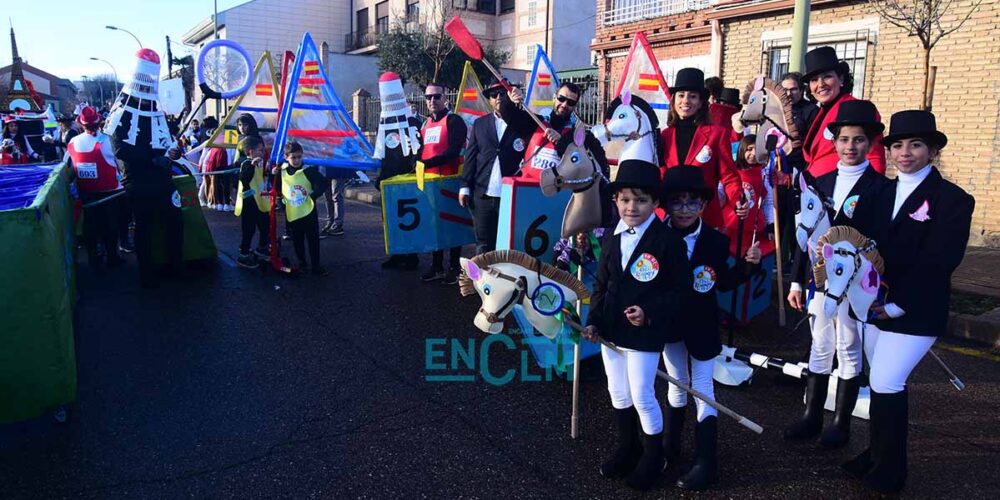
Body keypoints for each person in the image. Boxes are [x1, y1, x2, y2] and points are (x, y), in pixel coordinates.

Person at [843, 110, 974, 494]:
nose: (905, 153)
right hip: (872, 304)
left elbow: (941, 260)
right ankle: (875, 455)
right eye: (898, 145)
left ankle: (891, 470)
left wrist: (898, 304)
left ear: (932, 151)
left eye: (916, 145)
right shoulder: (877, 191)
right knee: (881, 383)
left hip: (915, 310)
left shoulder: (952, 200)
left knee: (887, 380)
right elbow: (849, 232)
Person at [784, 99, 889, 448]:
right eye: (844, 139)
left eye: (859, 140)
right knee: (819, 344)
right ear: (834, 141)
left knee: (848, 346)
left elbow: (880, 241)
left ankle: (840, 424)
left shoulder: (880, 188)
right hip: (820, 283)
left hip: (855, 285)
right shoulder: (819, 180)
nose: (851, 147)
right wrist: (798, 279)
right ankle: (811, 417)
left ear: (871, 143)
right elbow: (807, 235)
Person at [581, 159, 690, 491]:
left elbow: (680, 290)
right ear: (616, 200)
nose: (632, 207)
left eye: (641, 200)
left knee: (642, 395)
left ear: (655, 203)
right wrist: (594, 321)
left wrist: (649, 312)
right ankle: (629, 448)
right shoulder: (612, 239)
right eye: (625, 199)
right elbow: (601, 285)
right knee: (618, 392)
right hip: (612, 330)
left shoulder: (668, 241)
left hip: (645, 332)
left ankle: (654, 457)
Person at [660, 165, 761, 491]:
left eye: (693, 202)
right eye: (677, 202)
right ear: (666, 204)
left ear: (704, 205)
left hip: (702, 325)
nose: (685, 209)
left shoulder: (716, 242)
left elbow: (724, 281)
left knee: (703, 388)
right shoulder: (656, 237)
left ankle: (707, 461)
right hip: (669, 327)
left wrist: (748, 265)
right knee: (676, 384)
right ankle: (669, 447)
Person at [104, 48, 183, 289]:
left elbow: (167, 142)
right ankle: (147, 274)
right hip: (137, 182)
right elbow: (120, 150)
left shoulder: (157, 113)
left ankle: (175, 268)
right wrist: (151, 159)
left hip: (162, 180)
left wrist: (172, 153)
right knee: (144, 227)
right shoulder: (120, 114)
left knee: (175, 221)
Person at [660, 68, 746, 231]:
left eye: (692, 96)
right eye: (681, 95)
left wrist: (738, 199)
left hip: (704, 217)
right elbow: (661, 173)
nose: (685, 101)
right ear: (673, 100)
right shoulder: (664, 136)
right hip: (669, 215)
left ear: (700, 102)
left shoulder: (716, 134)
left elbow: (728, 176)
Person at [460, 80, 527, 255]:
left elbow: (538, 123)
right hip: (483, 194)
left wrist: (520, 105)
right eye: (493, 95)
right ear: (489, 100)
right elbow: (471, 157)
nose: (498, 98)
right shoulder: (480, 124)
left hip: (510, 196)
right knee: (483, 243)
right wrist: (465, 186)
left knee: (507, 244)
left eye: (502, 93)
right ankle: (482, 281)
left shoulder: (521, 122)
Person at [801, 46, 885, 177]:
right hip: (818, 191)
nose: (821, 84)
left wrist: (870, 193)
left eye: (827, 77)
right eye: (814, 80)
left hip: (847, 192)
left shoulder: (858, 108)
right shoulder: (822, 112)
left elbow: (874, 157)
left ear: (841, 79)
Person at [503, 81, 609, 182]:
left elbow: (599, 165)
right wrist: (511, 97)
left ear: (575, 107)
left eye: (571, 102)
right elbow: (509, 115)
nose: (564, 105)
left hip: (560, 193)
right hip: (527, 187)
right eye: (561, 98)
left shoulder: (580, 135)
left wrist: (563, 141)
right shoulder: (535, 122)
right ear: (554, 97)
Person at [418, 82, 467, 284]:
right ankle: (437, 265)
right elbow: (422, 150)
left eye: (436, 96)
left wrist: (428, 162)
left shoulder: (454, 121)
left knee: (452, 224)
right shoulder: (425, 124)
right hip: (429, 183)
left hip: (450, 181)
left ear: (445, 97)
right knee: (434, 225)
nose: (432, 101)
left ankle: (454, 267)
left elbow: (453, 151)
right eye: (428, 97)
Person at [373, 72, 421, 271]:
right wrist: (380, 177)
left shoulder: (415, 125)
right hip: (388, 183)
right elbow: (382, 154)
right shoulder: (382, 127)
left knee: (409, 219)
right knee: (390, 221)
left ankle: (412, 256)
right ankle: (396, 253)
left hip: (407, 183)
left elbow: (419, 153)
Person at [65, 105, 123, 267]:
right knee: (111, 226)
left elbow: (66, 165)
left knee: (90, 226)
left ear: (81, 124)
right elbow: (120, 165)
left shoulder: (73, 142)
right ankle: (112, 257)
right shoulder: (107, 141)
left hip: (86, 192)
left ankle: (94, 259)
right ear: (99, 122)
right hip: (110, 191)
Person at [277, 141, 328, 275]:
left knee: (313, 240)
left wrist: (313, 195)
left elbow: (322, 183)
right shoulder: (282, 170)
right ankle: (301, 263)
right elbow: (277, 187)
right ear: (286, 157)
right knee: (297, 240)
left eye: (299, 157)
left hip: (308, 212)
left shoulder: (309, 170)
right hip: (293, 212)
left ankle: (316, 266)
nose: (297, 160)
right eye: (293, 157)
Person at [722, 135, 774, 254]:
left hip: (753, 226)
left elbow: (769, 201)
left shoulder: (764, 172)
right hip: (730, 223)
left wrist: (770, 224)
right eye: (749, 149)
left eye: (757, 149)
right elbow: (720, 193)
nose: (753, 153)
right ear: (742, 149)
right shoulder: (731, 170)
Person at [235, 135, 272, 268]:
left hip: (259, 201)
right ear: (250, 151)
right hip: (249, 202)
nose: (262, 153)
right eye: (260, 150)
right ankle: (243, 255)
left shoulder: (258, 163)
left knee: (265, 225)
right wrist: (252, 165)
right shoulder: (246, 163)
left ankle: (262, 247)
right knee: (249, 229)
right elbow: (243, 178)